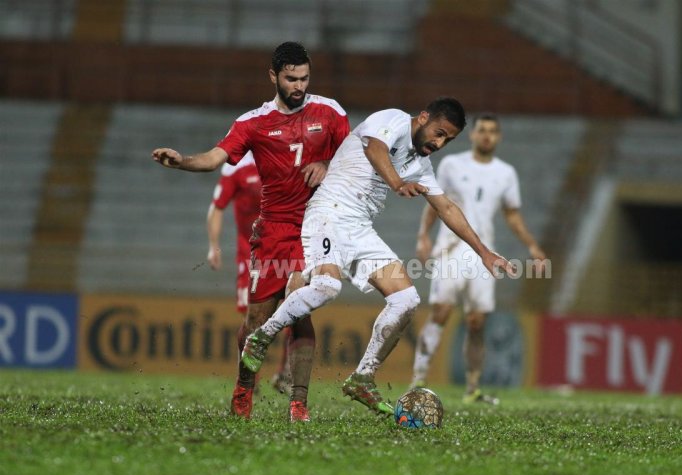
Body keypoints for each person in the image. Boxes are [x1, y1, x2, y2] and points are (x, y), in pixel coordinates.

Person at [238, 97, 515, 418]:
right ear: (423, 117)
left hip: (359, 228)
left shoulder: (421, 165)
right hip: (328, 213)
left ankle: (363, 377)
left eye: (447, 140)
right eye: (438, 133)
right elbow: (375, 148)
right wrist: (397, 183)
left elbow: (447, 208)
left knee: (407, 300)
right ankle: (261, 337)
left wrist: (484, 253)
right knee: (328, 286)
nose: (439, 143)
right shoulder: (394, 119)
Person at [152, 41, 350, 422]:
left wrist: (326, 162)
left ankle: (299, 403)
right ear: (273, 76)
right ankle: (244, 387)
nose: (299, 86)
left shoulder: (330, 112)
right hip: (273, 230)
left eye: (305, 78)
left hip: (315, 225)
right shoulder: (253, 123)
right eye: (291, 79)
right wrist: (182, 161)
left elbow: (355, 158)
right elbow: (215, 158)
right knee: (256, 322)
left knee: (301, 306)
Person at [411, 113, 546, 404]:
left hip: (485, 254)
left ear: (498, 137)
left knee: (476, 322)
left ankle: (472, 389)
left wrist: (532, 246)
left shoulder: (505, 173)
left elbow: (512, 214)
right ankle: (418, 380)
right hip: (451, 249)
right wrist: (424, 235)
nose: (487, 135)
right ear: (473, 135)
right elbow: (437, 203)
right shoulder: (451, 164)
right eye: (482, 130)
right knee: (441, 313)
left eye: (492, 131)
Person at [205, 152, 291, 395]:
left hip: (285, 251)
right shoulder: (237, 166)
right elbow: (217, 207)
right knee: (253, 319)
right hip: (251, 257)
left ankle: (285, 373)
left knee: (296, 309)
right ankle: (248, 380)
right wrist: (213, 246)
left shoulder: (287, 155)